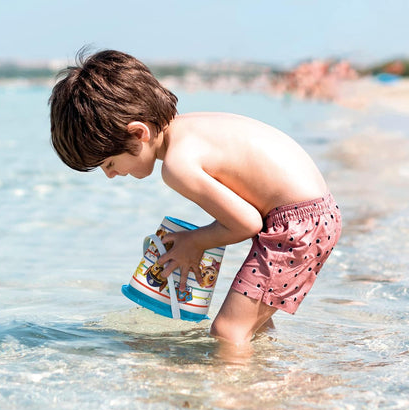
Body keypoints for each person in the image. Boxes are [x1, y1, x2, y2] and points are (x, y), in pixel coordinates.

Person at [49, 49, 342, 345]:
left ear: (138, 133)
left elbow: (246, 222)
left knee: (228, 331)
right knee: (249, 322)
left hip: (299, 225)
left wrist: (195, 242)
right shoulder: (189, 127)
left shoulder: (177, 166)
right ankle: (267, 377)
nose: (110, 175)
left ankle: (238, 391)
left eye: (109, 164)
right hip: (309, 215)